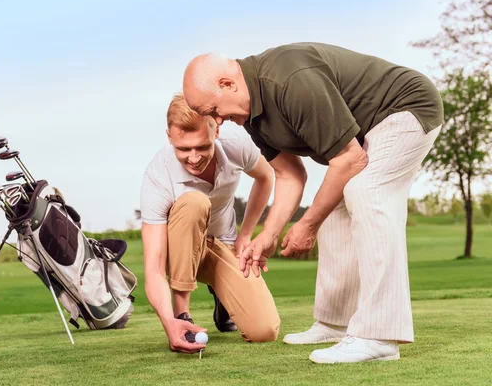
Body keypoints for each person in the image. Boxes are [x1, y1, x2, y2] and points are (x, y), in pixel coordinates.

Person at [182, 43, 443, 363]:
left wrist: (307, 224)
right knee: (336, 204)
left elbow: (350, 159)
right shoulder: (251, 118)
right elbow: (290, 175)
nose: (217, 123)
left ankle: (379, 336)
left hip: (406, 107)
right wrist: (269, 233)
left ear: (228, 84)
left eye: (212, 111)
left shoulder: (289, 80)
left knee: (366, 191)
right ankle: (336, 322)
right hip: (366, 134)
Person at [140, 93, 280, 354]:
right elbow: (155, 267)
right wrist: (169, 321)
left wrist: (246, 234)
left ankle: (221, 294)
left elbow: (266, 177)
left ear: (216, 131)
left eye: (202, 147)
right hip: (178, 253)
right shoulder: (158, 176)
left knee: (264, 331)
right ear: (169, 137)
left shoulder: (236, 144)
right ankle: (184, 317)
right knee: (194, 202)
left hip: (222, 247)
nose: (193, 158)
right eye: (183, 149)